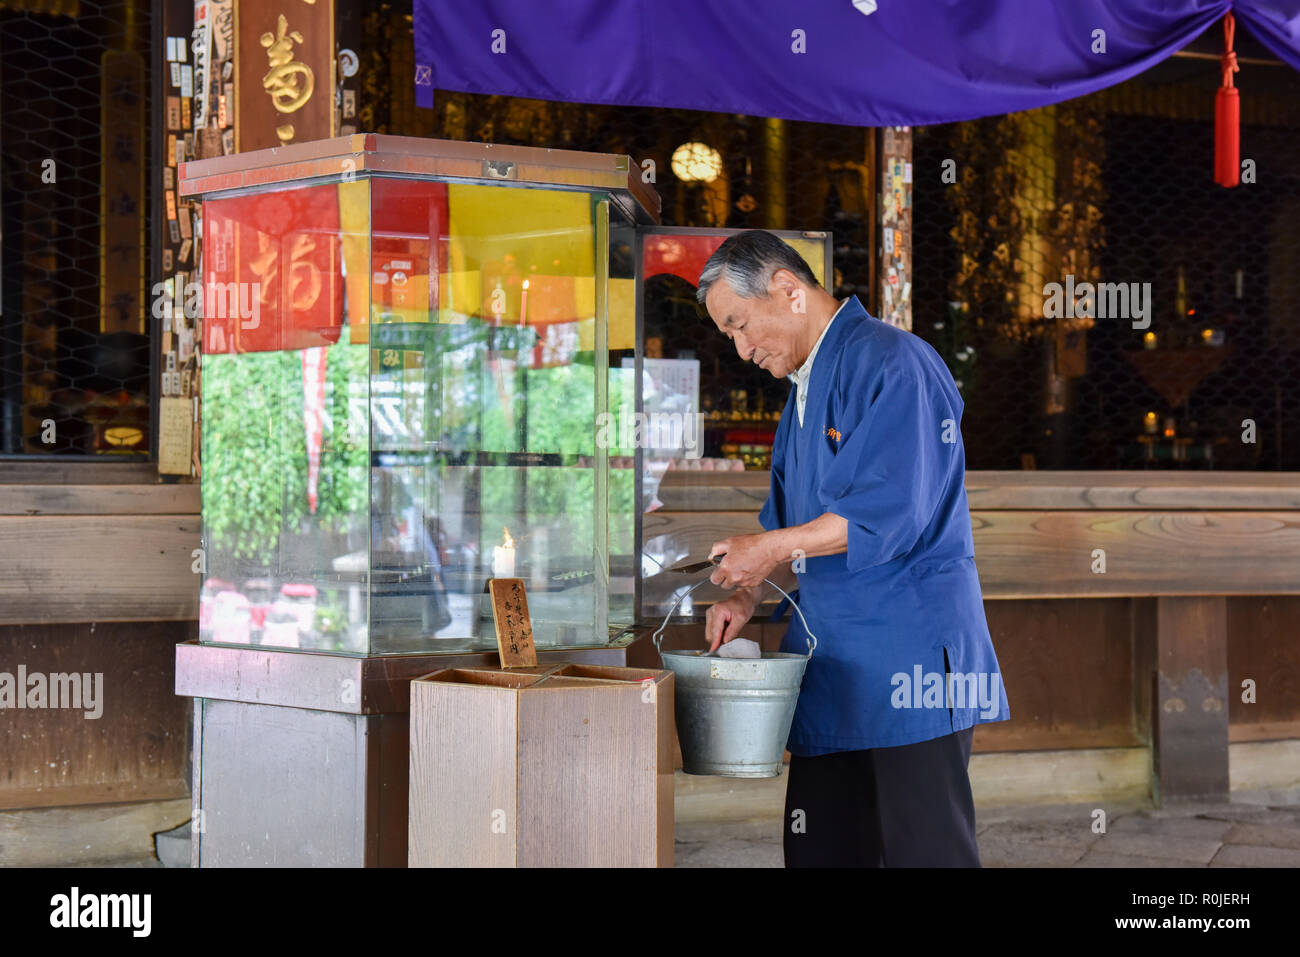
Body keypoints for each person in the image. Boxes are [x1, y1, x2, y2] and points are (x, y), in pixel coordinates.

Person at [696, 230, 1009, 867]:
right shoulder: (802, 395)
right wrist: (749, 589)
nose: (741, 348)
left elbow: (885, 513)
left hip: (908, 656)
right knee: (825, 849)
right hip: (833, 659)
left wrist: (766, 550)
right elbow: (788, 523)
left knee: (923, 852)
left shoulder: (896, 362)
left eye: (738, 325)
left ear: (787, 289)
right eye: (728, 334)